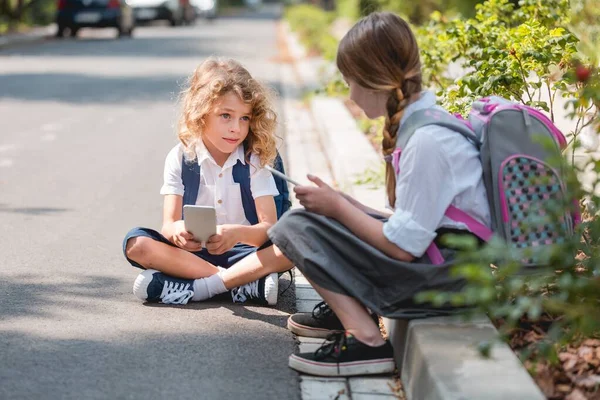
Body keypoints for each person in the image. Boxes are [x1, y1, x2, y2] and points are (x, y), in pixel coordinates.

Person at [266, 12, 492, 377]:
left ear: (374, 82)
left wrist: (339, 207)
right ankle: (354, 311)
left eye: (350, 81)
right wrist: (341, 204)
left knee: (293, 226)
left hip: (445, 283)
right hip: (449, 270)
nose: (350, 94)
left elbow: (403, 246)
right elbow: (416, 225)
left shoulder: (426, 142)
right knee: (315, 217)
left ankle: (367, 340)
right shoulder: (426, 124)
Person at [122, 58, 293, 306]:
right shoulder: (181, 157)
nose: (236, 128)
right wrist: (178, 232)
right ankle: (240, 285)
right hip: (193, 256)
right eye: (226, 116)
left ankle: (197, 288)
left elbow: (269, 229)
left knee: (293, 246)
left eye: (244, 118)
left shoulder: (254, 157)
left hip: (246, 254)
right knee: (136, 244)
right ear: (200, 113)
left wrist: (236, 234)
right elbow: (168, 226)